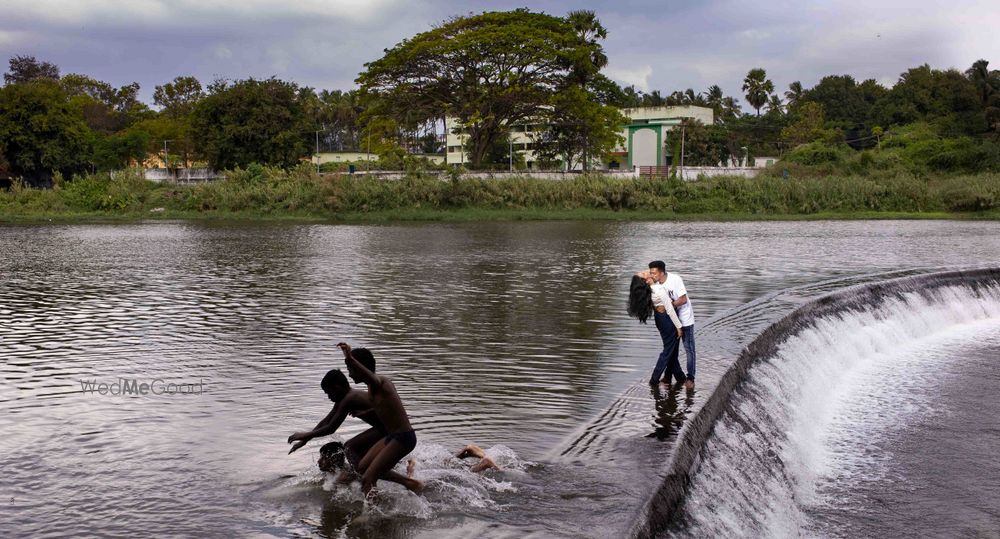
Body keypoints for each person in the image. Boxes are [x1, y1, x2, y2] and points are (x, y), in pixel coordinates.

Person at [286, 369, 417, 489]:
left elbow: (331, 428)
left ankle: (387, 481)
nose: (328, 397)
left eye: (328, 393)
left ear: (336, 388)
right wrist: (305, 439)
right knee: (359, 458)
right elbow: (326, 421)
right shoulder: (344, 399)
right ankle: (391, 472)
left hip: (388, 430)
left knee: (351, 449)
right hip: (384, 429)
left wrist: (304, 435)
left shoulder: (349, 398)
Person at [338, 342, 423, 495]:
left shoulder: (379, 382)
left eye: (351, 369)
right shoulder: (372, 388)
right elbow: (385, 407)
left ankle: (370, 516)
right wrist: (364, 413)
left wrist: (349, 358)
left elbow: (373, 379)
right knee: (362, 468)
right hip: (392, 437)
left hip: (403, 438)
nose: (349, 374)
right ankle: (411, 483)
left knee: (368, 478)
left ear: (360, 368)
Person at [649, 261, 697, 389]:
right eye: (651, 273)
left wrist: (668, 306)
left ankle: (690, 378)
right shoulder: (656, 285)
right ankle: (669, 376)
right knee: (671, 350)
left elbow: (683, 299)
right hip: (671, 321)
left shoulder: (675, 279)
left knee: (689, 349)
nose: (652, 275)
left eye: (654, 273)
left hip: (685, 319)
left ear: (662, 272)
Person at [635, 265, 685, 386]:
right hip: (667, 320)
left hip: (660, 320)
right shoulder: (658, 289)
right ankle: (654, 379)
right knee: (668, 351)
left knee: (671, 351)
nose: (646, 272)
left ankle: (680, 377)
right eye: (644, 273)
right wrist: (679, 327)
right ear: (646, 280)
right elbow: (669, 309)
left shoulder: (650, 291)